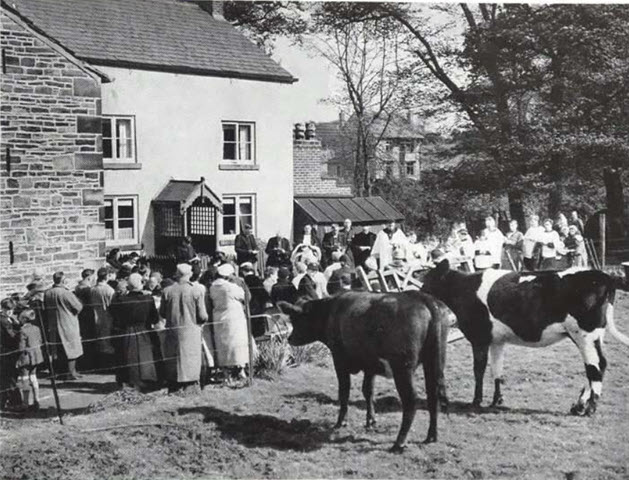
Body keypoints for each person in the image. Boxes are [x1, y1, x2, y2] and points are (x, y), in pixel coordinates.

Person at [160, 263, 208, 392]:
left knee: (174, 357)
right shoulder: (196, 290)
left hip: (173, 329)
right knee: (191, 357)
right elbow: (202, 315)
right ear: (190, 274)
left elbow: (162, 313)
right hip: (191, 330)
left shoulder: (167, 291)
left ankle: (175, 385)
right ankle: (190, 384)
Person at [110, 273, 162, 390]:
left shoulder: (122, 300)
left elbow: (115, 315)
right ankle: (148, 380)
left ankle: (130, 380)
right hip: (145, 329)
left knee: (129, 356)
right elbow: (154, 318)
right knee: (146, 355)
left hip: (127, 330)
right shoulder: (148, 299)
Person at [209, 263, 251, 380]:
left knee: (222, 345)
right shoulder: (231, 287)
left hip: (219, 318)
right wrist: (240, 282)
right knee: (237, 345)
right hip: (234, 319)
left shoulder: (212, 287)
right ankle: (241, 370)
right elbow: (246, 296)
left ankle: (226, 372)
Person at [43, 271, 84, 379]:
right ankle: (71, 372)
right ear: (63, 280)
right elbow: (78, 307)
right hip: (67, 323)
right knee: (71, 347)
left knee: (58, 349)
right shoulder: (66, 293)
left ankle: (61, 372)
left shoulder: (47, 293)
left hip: (53, 324)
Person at [15, 309, 44, 411]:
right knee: (34, 377)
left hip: (26, 357)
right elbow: (40, 341)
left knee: (24, 379)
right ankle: (37, 400)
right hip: (36, 356)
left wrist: (18, 359)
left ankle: (25, 403)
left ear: (23, 319)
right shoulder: (36, 328)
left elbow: (21, 347)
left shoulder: (22, 330)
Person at [89, 267, 116, 365]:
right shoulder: (109, 290)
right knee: (107, 340)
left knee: (99, 339)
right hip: (107, 316)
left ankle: (100, 361)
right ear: (107, 276)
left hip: (96, 316)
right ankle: (107, 362)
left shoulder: (92, 289)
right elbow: (113, 305)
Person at [240, 263, 271, 337]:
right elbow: (263, 292)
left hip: (252, 304)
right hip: (260, 303)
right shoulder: (257, 279)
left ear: (243, 271)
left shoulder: (244, 281)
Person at [0, 298, 21, 410]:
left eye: (11, 309)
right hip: (6, 351)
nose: (9, 312)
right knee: (9, 377)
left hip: (8, 350)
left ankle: (7, 401)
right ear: (2, 308)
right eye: (7, 309)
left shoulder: (8, 319)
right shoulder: (3, 321)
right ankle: (14, 401)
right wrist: (20, 329)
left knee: (8, 377)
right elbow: (11, 335)